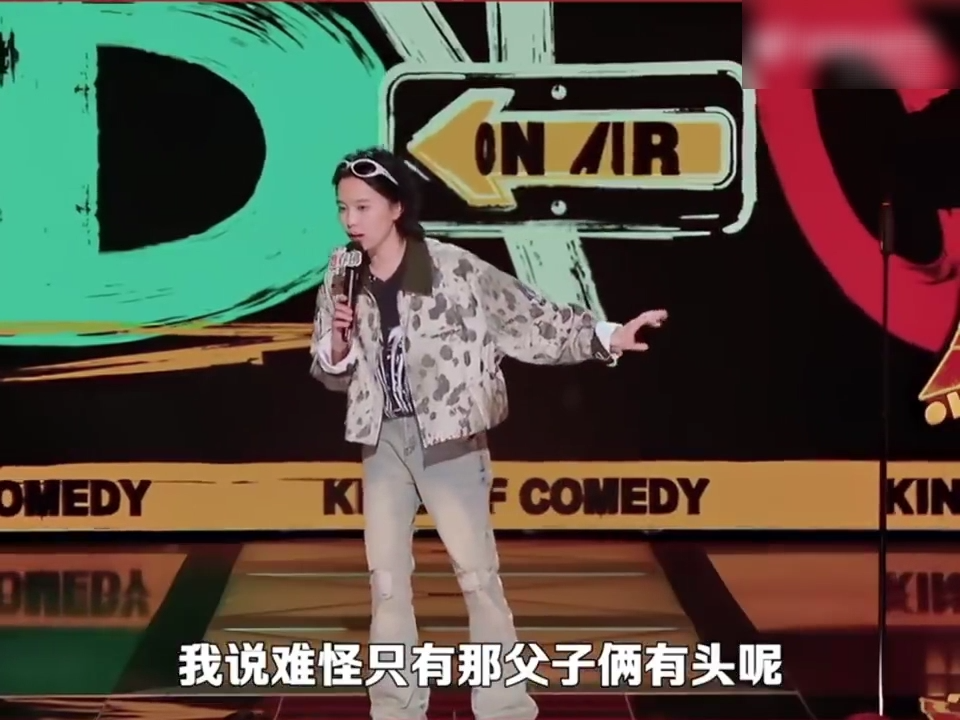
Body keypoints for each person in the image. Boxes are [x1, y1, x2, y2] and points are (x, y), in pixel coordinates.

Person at [310, 147, 668, 720]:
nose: (351, 220)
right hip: (382, 441)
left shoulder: (450, 268)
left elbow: (529, 319)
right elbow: (330, 371)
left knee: (477, 577)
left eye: (363, 206)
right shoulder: (342, 277)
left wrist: (606, 337)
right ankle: (395, 707)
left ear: (396, 208)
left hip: (449, 439)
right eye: (342, 207)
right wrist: (337, 340)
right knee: (386, 581)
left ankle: (503, 705)